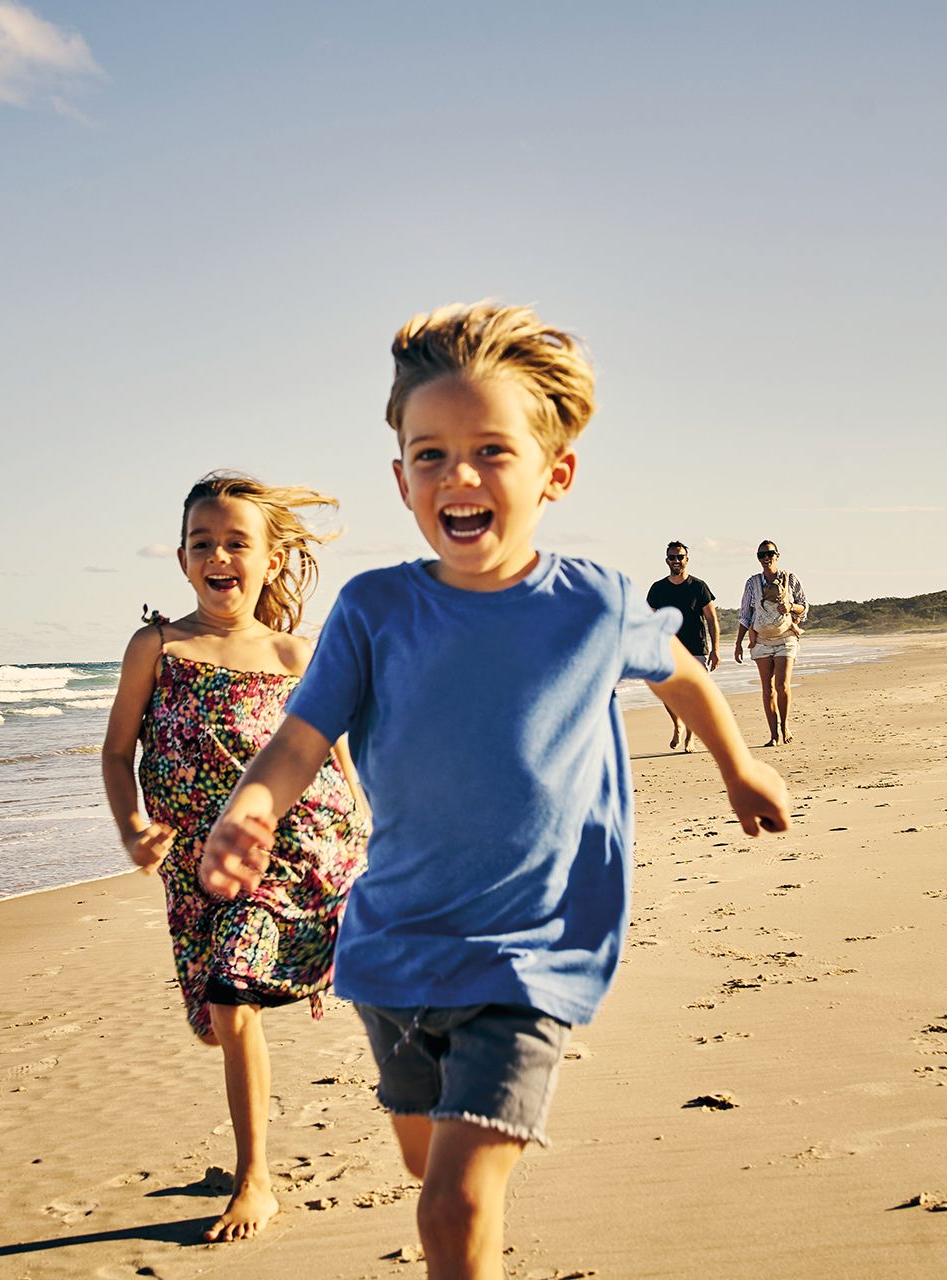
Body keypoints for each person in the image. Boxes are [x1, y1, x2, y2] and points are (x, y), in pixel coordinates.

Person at [200, 303, 790, 1279]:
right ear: (400, 478)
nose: (457, 476)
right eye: (429, 455)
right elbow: (303, 733)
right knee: (424, 1164)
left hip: (532, 949)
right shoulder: (375, 608)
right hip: (392, 947)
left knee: (454, 1205)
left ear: (555, 471)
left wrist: (739, 765)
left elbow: (679, 668)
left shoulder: (593, 600)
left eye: (490, 451)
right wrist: (254, 804)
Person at [100, 470, 369, 1244]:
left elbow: (338, 759)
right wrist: (132, 827)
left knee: (230, 993)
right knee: (219, 1017)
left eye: (236, 543)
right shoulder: (157, 646)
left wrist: (368, 822)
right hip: (197, 867)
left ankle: (256, 1181)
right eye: (202, 543)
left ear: (272, 559)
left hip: (299, 849)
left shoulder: (294, 653)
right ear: (183, 559)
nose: (219, 555)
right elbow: (119, 754)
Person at [732, 540, 808, 746]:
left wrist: (790, 606)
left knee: (781, 685)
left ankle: (784, 726)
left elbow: (804, 606)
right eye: (761, 555)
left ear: (777, 555)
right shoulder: (752, 583)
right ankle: (773, 734)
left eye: (770, 554)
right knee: (767, 688)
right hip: (761, 641)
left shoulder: (790, 579)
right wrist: (738, 643)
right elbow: (745, 615)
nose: (766, 558)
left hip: (786, 638)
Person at [646, 540, 719, 751]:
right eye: (672, 557)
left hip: (696, 649)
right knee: (668, 692)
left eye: (680, 557)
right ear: (666, 560)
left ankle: (690, 736)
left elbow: (712, 619)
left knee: (695, 696)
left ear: (687, 559)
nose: (676, 561)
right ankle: (677, 724)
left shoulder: (699, 587)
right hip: (667, 650)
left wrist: (715, 650)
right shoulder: (657, 589)